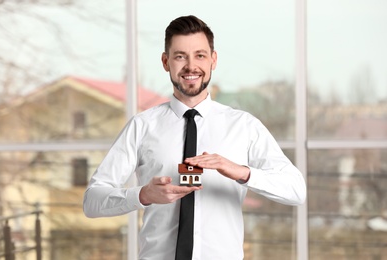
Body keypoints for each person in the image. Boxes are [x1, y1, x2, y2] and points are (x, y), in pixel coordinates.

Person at [83, 15, 306, 259]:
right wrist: (143, 195)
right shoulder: (142, 126)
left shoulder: (244, 126)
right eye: (180, 56)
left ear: (213, 60)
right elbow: (92, 201)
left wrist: (242, 172)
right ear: (166, 62)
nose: (191, 66)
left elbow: (296, 190)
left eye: (200, 55)